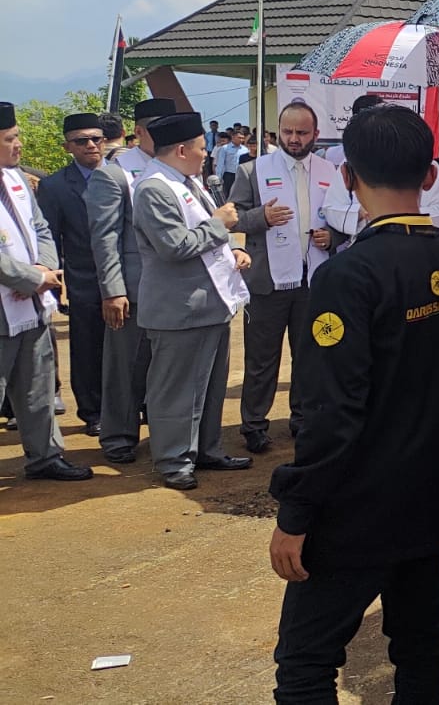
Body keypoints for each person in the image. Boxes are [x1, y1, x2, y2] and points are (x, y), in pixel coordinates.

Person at [268, 105, 439, 703]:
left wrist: (296, 512)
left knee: (305, 663)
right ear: (429, 176)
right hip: (430, 496)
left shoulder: (347, 275)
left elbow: (330, 412)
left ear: (347, 177)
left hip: (357, 508)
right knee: (420, 643)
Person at [132, 112, 253, 490]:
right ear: (182, 150)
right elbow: (174, 246)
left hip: (211, 303)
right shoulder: (153, 189)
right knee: (177, 390)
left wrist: (232, 248)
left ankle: (206, 449)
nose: (207, 155)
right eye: (202, 149)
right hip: (179, 309)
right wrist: (221, 225)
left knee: (210, 388)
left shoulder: (187, 181)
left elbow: (206, 229)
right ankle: (173, 460)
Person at [227, 100, 339, 451]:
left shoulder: (331, 171)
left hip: (313, 280)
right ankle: (254, 425)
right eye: (287, 131)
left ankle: (302, 419)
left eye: (301, 132)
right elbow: (232, 217)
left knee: (309, 356)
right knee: (261, 359)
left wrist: (333, 237)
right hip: (268, 281)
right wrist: (261, 217)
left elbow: (344, 216)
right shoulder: (252, 170)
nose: (294, 138)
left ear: (315, 134)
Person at [0, 101, 89, 481]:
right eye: (10, 138)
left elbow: (41, 229)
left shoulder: (17, 179)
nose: (19, 144)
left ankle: (46, 457)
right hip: (6, 307)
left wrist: (44, 269)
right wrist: (31, 279)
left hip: (32, 305)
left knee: (37, 385)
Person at [87, 98, 172, 463]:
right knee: (125, 369)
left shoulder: (174, 168)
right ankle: (119, 436)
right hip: (133, 290)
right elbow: (104, 237)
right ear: (138, 132)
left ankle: (164, 434)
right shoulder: (116, 173)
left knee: (163, 367)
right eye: (158, 130)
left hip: (172, 288)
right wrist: (113, 290)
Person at [37, 112, 108, 436]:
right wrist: (55, 287)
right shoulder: (54, 186)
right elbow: (50, 238)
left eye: (96, 139)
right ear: (68, 147)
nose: (91, 145)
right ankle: (93, 412)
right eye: (82, 141)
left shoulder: (125, 177)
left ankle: (135, 405)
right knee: (88, 347)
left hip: (129, 277)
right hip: (83, 280)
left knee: (131, 347)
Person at [324, 96, 439, 237]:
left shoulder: (422, 160)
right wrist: (358, 213)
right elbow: (331, 209)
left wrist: (390, 218)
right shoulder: (353, 163)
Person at [216, 127, 246, 196]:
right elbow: (220, 164)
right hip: (229, 175)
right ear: (233, 137)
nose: (241, 140)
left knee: (240, 194)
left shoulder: (245, 149)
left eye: (243, 138)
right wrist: (219, 177)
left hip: (241, 175)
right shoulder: (225, 148)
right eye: (239, 138)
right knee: (229, 194)